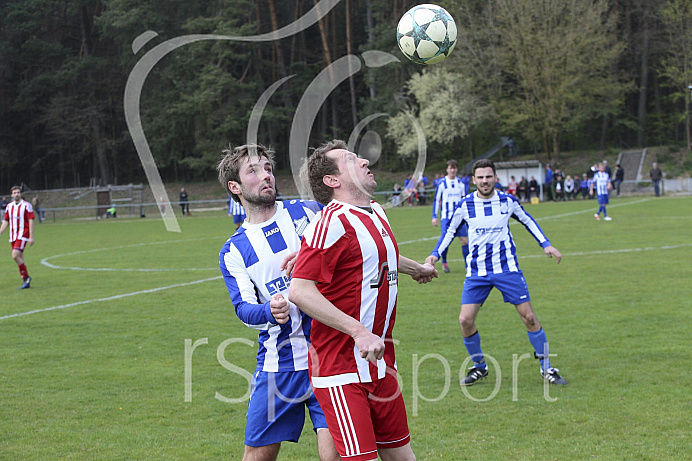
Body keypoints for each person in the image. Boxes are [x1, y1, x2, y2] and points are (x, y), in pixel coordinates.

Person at [289, 140, 437, 461]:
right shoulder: (330, 223)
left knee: (402, 455)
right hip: (342, 370)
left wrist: (417, 269)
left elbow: (382, 255)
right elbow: (299, 290)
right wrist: (358, 331)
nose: (365, 161)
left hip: (381, 364)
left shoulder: (376, 211)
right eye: (351, 160)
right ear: (333, 180)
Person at [217, 144, 339, 461]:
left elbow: (355, 246)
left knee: (336, 456)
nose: (266, 175)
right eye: (253, 171)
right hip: (279, 364)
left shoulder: (310, 212)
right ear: (235, 187)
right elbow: (244, 310)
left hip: (329, 355)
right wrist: (269, 310)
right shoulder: (234, 250)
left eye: (268, 168)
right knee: (256, 457)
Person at [425, 159, 567, 387]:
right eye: (480, 177)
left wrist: (546, 244)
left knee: (529, 317)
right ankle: (480, 367)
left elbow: (528, 220)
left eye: (488, 176)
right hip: (477, 273)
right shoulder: (465, 204)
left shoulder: (507, 201)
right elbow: (449, 232)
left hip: (507, 269)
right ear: (473, 180)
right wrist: (435, 255)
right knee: (465, 320)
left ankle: (547, 367)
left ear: (495, 178)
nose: (484, 181)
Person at [432, 160, 469, 273]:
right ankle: (444, 262)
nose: (452, 170)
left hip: (460, 218)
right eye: (450, 168)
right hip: (446, 217)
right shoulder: (442, 183)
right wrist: (434, 216)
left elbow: (464, 200)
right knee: (446, 241)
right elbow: (436, 200)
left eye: (454, 168)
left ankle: (467, 265)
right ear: (447, 169)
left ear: (456, 169)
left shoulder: (461, 183)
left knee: (464, 240)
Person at [0, 186, 35, 289]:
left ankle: (26, 277)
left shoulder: (26, 205)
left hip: (23, 234)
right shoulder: (9, 206)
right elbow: (6, 221)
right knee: (20, 257)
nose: (16, 194)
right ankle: (26, 282)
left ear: (21, 194)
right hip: (13, 236)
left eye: (18, 192)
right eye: (14, 193)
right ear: (11, 195)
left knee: (15, 255)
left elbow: (31, 220)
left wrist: (31, 237)